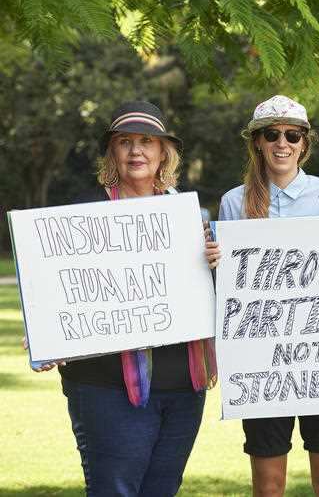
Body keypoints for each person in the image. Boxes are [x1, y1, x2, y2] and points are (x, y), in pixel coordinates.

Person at [28, 101, 217, 496]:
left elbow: (214, 297)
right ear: (112, 152)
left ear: (164, 151)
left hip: (183, 389)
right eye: (125, 142)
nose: (136, 152)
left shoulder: (188, 217)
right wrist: (46, 334)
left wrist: (216, 263)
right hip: (105, 388)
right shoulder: (83, 216)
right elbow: (58, 289)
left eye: (147, 142)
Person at [204, 95, 319, 497]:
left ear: (304, 143)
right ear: (257, 142)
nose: (283, 143)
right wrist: (213, 262)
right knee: (268, 485)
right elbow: (228, 290)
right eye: (272, 134)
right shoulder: (234, 202)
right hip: (260, 362)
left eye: (292, 135)